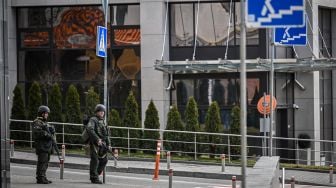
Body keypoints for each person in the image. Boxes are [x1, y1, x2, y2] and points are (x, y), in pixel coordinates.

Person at [32, 105, 57, 184]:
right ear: (42, 113)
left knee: (45, 162)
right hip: (41, 145)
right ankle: (40, 178)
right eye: (46, 113)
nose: (47, 115)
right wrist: (48, 134)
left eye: (47, 113)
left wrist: (52, 130)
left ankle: (43, 176)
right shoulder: (37, 122)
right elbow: (38, 132)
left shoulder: (45, 122)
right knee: (42, 162)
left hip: (46, 146)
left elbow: (50, 132)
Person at [86, 104, 111, 184]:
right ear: (96, 112)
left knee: (104, 160)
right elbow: (90, 129)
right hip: (94, 143)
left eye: (103, 111)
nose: (102, 113)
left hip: (102, 144)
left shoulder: (103, 121)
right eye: (100, 111)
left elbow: (106, 134)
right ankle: (94, 178)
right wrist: (97, 139)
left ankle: (96, 174)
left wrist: (109, 144)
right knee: (95, 160)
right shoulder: (93, 119)